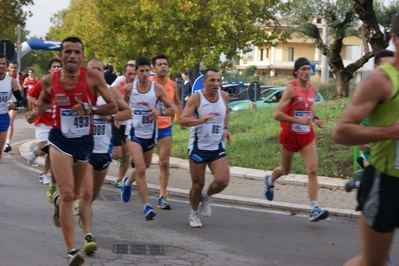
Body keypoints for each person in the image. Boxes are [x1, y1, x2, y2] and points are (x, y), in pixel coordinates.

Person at [27, 37, 117, 265]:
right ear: (62, 55)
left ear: (82, 56)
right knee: (68, 194)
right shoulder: (50, 80)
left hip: (84, 140)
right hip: (59, 139)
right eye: (68, 51)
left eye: (77, 52)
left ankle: (59, 206)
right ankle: (71, 251)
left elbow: (113, 106)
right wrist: (36, 113)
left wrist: (89, 108)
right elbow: (45, 102)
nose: (72, 56)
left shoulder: (93, 77)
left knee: (77, 194)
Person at [333, 13, 399, 266]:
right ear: (395, 39)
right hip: (386, 184)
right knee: (372, 262)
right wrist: (389, 132)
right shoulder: (381, 81)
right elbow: (342, 132)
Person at [74, 58, 131, 256]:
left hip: (103, 150)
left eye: (100, 69)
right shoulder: (79, 91)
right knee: (87, 191)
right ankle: (88, 235)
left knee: (93, 194)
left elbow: (127, 112)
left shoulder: (110, 91)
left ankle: (83, 210)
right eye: (93, 69)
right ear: (86, 72)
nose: (97, 72)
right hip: (83, 149)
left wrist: (112, 117)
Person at [263, 57, 329, 222]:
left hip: (306, 135)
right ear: (296, 72)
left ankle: (314, 208)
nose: (307, 72)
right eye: (304, 69)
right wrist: (298, 121)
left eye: (309, 69)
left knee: (312, 169)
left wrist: (316, 119)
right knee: (285, 170)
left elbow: (308, 108)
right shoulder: (291, 90)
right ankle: (270, 180)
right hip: (290, 135)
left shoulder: (312, 89)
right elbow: (277, 114)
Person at [120, 56, 174, 221]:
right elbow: (123, 105)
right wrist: (119, 117)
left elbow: (172, 109)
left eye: (146, 71)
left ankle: (128, 182)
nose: (144, 74)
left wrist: (160, 112)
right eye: (141, 71)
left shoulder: (157, 89)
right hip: (133, 133)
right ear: (136, 72)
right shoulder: (129, 89)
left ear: (150, 71)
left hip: (150, 134)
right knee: (141, 168)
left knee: (146, 165)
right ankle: (147, 206)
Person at [179, 68, 232, 228]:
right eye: (212, 81)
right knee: (197, 184)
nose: (216, 84)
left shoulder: (224, 96)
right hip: (198, 147)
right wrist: (200, 121)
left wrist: (226, 128)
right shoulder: (197, 98)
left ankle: (207, 196)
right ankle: (194, 213)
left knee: (223, 181)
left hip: (216, 146)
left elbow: (226, 111)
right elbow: (183, 120)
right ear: (204, 82)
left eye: (218, 80)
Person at [345, 49, 394, 193]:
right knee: (374, 192)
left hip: (391, 151)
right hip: (371, 149)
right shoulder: (368, 91)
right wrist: (359, 138)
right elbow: (348, 124)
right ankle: (362, 178)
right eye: (385, 67)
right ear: (376, 68)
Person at [150, 54, 183, 209]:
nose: (163, 67)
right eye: (160, 64)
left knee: (164, 162)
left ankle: (162, 196)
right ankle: (128, 182)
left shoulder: (172, 84)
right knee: (142, 165)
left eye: (165, 64)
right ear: (153, 67)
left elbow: (176, 102)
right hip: (147, 127)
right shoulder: (148, 83)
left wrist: (181, 118)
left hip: (164, 127)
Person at [26, 58, 62, 190]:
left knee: (53, 150)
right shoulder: (43, 82)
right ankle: (36, 152)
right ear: (49, 69)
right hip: (43, 120)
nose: (57, 69)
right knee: (42, 151)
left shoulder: (64, 84)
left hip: (56, 122)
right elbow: (29, 96)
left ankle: (44, 173)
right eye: (54, 67)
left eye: (59, 66)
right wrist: (39, 105)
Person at [112, 62, 136, 190]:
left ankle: (119, 180)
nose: (132, 76)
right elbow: (111, 102)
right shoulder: (117, 86)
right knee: (116, 154)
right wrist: (116, 115)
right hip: (118, 122)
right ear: (124, 73)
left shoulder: (139, 87)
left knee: (127, 154)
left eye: (134, 74)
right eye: (130, 73)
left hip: (129, 124)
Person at [0, 54, 23, 162]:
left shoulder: (11, 82)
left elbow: (21, 100)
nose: (1, 65)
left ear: (6, 65)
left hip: (3, 117)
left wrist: (14, 105)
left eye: (3, 63)